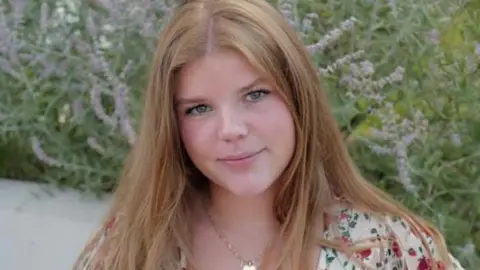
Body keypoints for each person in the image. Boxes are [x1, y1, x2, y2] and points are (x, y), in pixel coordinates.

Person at [73, 0, 466, 269]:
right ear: (171, 126)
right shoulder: (131, 248)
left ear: (299, 98)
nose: (231, 130)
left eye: (256, 94)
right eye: (198, 108)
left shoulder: (389, 249)